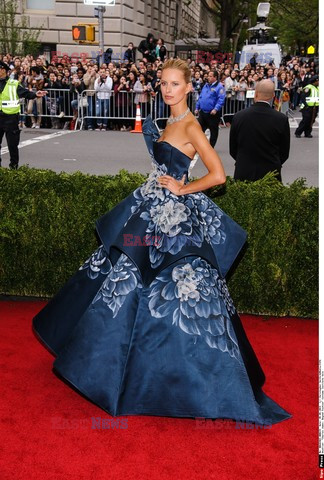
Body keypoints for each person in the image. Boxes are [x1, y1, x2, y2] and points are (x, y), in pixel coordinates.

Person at [32, 59, 292, 427]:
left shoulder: (190, 124)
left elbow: (218, 175)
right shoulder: (170, 120)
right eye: (163, 83)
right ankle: (120, 365)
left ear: (189, 88)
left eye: (175, 84)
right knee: (125, 282)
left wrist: (182, 187)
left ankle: (188, 378)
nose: (168, 89)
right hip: (150, 208)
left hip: (172, 217)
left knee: (173, 292)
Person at [230, 79, 290, 183]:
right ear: (272, 96)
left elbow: (233, 148)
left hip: (244, 171)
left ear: (255, 94)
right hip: (271, 172)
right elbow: (284, 151)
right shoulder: (281, 119)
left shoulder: (239, 116)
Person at [0, 61, 47, 169]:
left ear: (3, 70)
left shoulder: (13, 83)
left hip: (10, 118)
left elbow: (25, 93)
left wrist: (35, 94)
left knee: (12, 145)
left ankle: (13, 167)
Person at [194, 70, 226, 147]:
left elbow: (221, 99)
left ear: (215, 77)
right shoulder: (206, 85)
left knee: (213, 131)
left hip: (212, 113)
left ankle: (211, 147)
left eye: (210, 76)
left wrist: (215, 109)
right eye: (208, 76)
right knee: (199, 130)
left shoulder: (219, 87)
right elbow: (201, 97)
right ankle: (199, 145)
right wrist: (197, 108)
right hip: (203, 112)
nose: (208, 77)